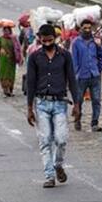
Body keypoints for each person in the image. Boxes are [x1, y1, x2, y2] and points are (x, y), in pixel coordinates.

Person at [26, 24, 81, 188]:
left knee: (61, 139)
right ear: (40, 39)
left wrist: (77, 104)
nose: (47, 43)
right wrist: (29, 108)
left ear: (55, 38)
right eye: (44, 41)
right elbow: (30, 83)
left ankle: (58, 164)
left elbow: (72, 79)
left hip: (60, 103)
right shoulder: (35, 57)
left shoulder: (65, 55)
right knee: (45, 140)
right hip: (41, 103)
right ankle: (49, 175)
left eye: (50, 40)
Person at [71, 19, 102, 132]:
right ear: (81, 29)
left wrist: (100, 68)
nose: (87, 30)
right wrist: (75, 75)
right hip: (81, 76)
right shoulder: (76, 42)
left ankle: (94, 123)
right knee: (79, 100)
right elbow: (74, 61)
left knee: (96, 100)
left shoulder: (95, 42)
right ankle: (77, 120)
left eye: (89, 28)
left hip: (94, 75)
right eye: (85, 28)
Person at [0, 24, 23, 97]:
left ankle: (10, 90)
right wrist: (0, 50)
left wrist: (20, 57)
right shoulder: (0, 39)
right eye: (4, 30)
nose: (6, 32)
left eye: (7, 30)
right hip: (3, 60)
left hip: (12, 60)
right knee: (4, 74)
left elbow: (18, 48)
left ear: (10, 31)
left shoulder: (14, 38)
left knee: (11, 75)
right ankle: (5, 90)